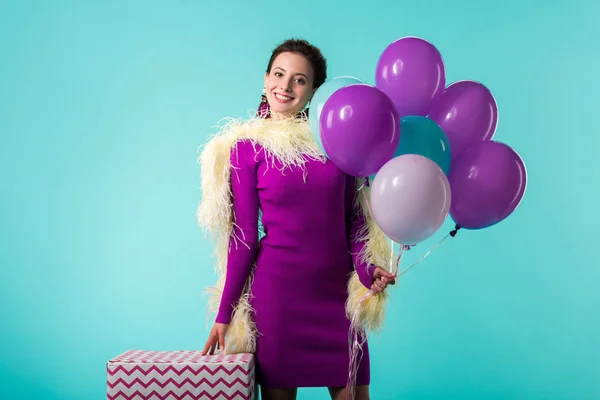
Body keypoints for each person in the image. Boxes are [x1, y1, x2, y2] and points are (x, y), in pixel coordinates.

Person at [197, 38, 396, 400]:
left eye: (299, 80)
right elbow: (242, 237)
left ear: (315, 92)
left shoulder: (338, 142)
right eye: (279, 74)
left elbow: (355, 220)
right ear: (265, 79)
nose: (285, 87)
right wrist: (224, 314)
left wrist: (369, 272)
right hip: (277, 301)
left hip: (338, 298)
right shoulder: (245, 148)